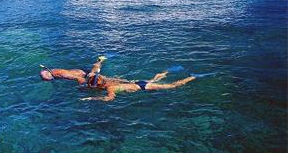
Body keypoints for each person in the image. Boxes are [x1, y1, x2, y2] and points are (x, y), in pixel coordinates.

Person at [40, 56, 197, 101]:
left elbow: (110, 98)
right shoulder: (110, 83)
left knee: (173, 86)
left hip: (142, 87)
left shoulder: (110, 87)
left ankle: (192, 78)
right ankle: (165, 72)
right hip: (138, 84)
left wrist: (90, 98)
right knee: (153, 80)